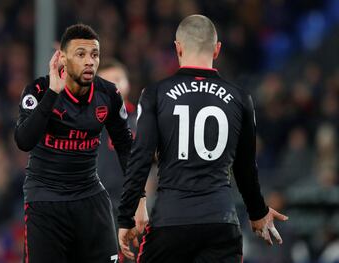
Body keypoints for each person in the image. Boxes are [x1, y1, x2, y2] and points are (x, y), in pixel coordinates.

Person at [118, 15, 288, 263]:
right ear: (217, 50)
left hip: (170, 221)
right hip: (220, 222)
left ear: (177, 47)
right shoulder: (241, 99)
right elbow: (245, 168)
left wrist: (126, 216)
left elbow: (140, 158)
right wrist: (257, 212)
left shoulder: (155, 94)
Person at [14, 23, 145, 263]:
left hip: (89, 197)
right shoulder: (39, 90)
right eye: (81, 54)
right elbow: (24, 140)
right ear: (62, 58)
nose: (90, 61)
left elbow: (126, 148)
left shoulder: (108, 94)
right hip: (45, 200)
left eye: (94, 55)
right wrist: (53, 93)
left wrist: (141, 199)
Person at [97, 60, 149, 262]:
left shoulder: (143, 122)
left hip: (131, 208)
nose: (114, 85)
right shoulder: (87, 121)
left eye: (117, 79)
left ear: (128, 83)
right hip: (97, 207)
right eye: (107, 81)